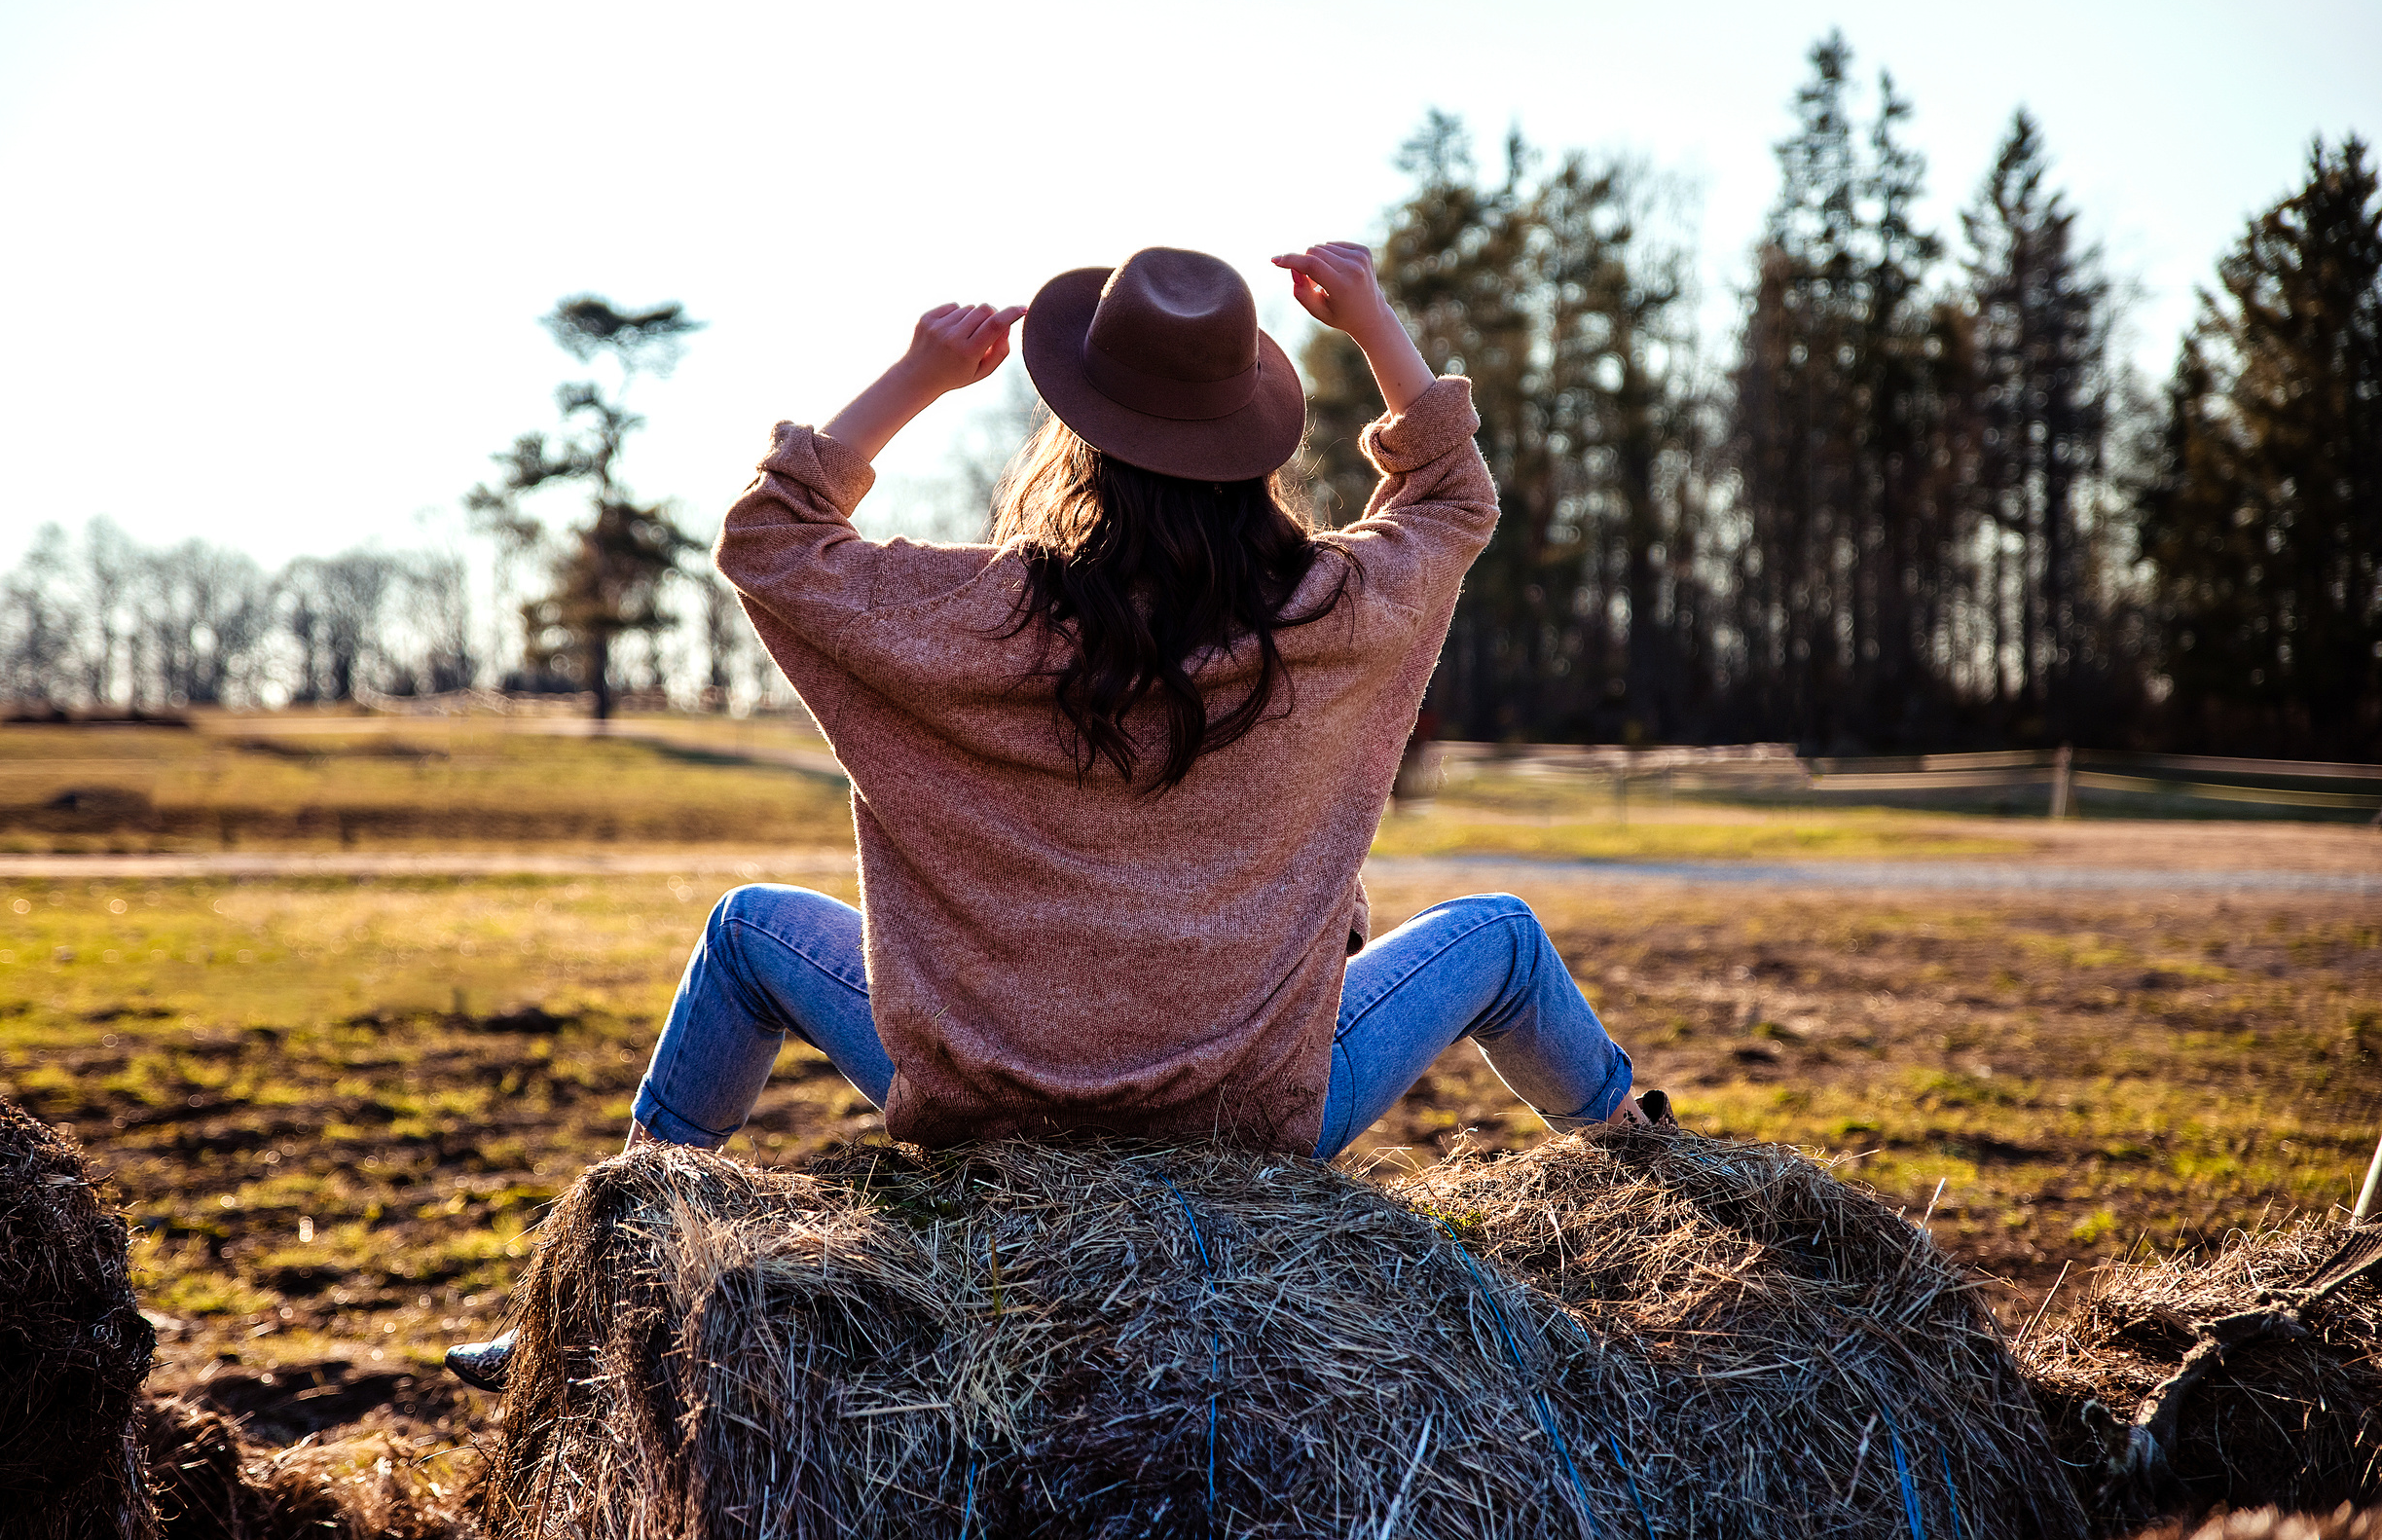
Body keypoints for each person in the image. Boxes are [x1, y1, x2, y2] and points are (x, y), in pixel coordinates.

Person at [447, 242, 1655, 1390]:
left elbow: (771, 540)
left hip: (986, 1103)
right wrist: (1374, 321)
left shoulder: (984, 618)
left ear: (1079, 438)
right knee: (1495, 935)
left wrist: (919, 372)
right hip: (1254, 1115)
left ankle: (592, 1283)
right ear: (1249, 442)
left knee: (747, 928)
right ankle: (1671, 1186)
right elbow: (1449, 499)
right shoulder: (1329, 609)